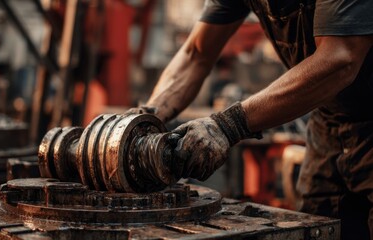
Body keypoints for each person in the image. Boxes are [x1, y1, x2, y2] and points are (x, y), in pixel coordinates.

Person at [127, 0, 373, 239]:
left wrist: (228, 125)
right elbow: (196, 54)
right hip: (330, 122)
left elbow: (340, 58)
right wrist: (144, 119)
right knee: (322, 227)